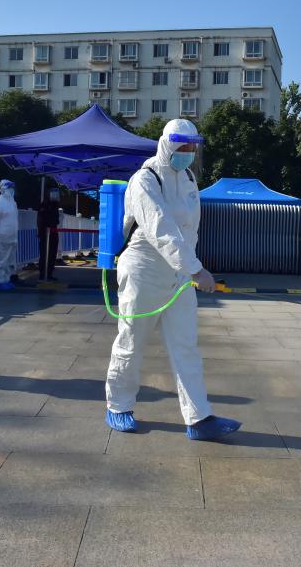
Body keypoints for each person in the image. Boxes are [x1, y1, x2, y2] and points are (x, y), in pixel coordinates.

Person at [104, 119, 241, 441]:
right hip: (144, 269)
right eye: (182, 145)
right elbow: (160, 228)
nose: (188, 151)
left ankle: (198, 417)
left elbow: (189, 231)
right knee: (131, 341)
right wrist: (195, 269)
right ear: (167, 144)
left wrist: (189, 269)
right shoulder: (145, 179)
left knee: (186, 347)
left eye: (193, 146)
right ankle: (118, 405)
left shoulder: (189, 179)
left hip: (178, 275)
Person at [0, 179, 19, 291]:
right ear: (3, 189)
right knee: (0, 259)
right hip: (1, 236)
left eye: (12, 188)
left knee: (9, 260)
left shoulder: (13, 203)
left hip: (12, 236)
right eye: (9, 188)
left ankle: (6, 279)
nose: (12, 190)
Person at [36, 187, 61, 281]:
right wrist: (40, 232)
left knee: (52, 254)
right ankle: (43, 274)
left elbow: (56, 220)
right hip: (45, 233)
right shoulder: (44, 205)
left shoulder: (55, 205)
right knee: (44, 254)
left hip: (53, 232)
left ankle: (49, 274)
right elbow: (41, 220)